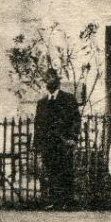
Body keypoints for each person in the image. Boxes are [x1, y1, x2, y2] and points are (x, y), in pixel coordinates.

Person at [33, 70, 80, 209]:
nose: (49, 82)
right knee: (51, 171)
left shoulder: (68, 99)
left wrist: (73, 137)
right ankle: (54, 201)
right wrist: (37, 144)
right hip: (48, 144)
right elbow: (38, 124)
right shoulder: (42, 103)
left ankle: (67, 201)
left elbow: (76, 120)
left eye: (52, 79)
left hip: (64, 142)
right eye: (47, 79)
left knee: (65, 170)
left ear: (58, 82)